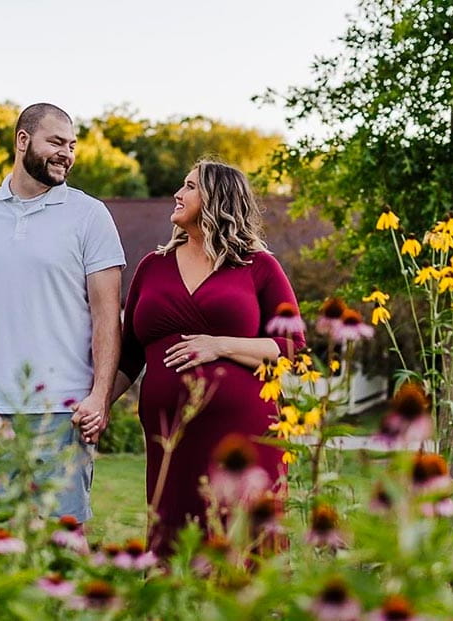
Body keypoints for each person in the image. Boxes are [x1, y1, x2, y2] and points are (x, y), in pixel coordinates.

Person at [89, 160, 304, 555]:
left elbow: (290, 346)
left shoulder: (259, 267)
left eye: (189, 187)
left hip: (243, 430)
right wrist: (98, 404)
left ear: (217, 199)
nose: (177, 193)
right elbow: (130, 354)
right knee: (174, 532)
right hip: (171, 435)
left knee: (244, 536)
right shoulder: (153, 267)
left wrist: (220, 345)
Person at [0, 103, 125, 524]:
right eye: (56, 142)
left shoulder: (90, 215)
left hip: (63, 408)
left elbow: (106, 312)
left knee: (61, 538)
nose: (67, 153)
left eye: (72, 145)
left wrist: (99, 395)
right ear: (23, 141)